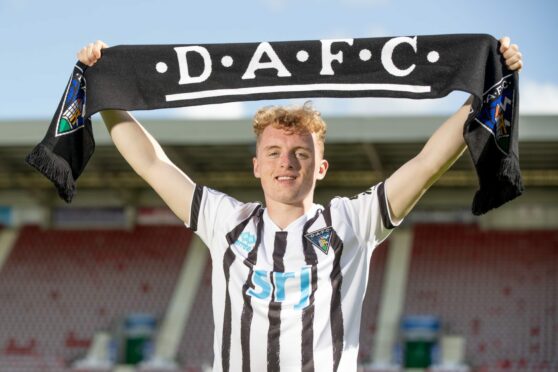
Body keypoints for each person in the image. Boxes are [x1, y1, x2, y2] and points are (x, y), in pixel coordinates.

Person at [78, 37, 522, 372]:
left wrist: (482, 89)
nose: (286, 163)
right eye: (273, 153)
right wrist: (105, 93)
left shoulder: (352, 221)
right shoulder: (225, 220)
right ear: (256, 166)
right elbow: (151, 164)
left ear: (321, 167)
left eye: (301, 153)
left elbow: (427, 163)